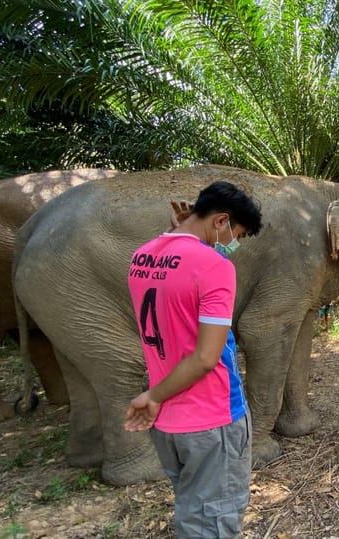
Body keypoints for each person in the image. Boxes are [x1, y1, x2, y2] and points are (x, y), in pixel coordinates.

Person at [124, 182, 263, 538]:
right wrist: (151, 396)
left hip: (169, 423)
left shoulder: (142, 257)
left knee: (193, 508)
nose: (234, 243)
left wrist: (157, 396)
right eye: (238, 233)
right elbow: (205, 358)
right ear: (221, 221)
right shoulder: (214, 266)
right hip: (213, 420)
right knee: (214, 521)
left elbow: (177, 274)